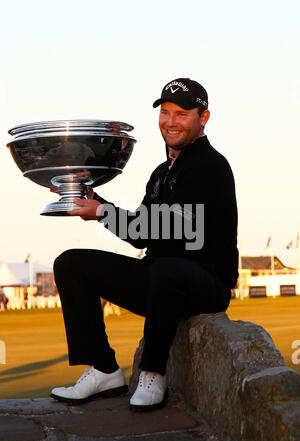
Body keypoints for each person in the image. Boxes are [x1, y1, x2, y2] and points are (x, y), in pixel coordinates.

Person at [50, 78, 239, 410]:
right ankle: (103, 369)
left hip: (206, 282)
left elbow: (175, 230)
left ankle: (152, 371)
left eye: (181, 114)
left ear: (203, 117)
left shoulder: (212, 166)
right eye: (165, 112)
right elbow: (140, 232)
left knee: (166, 269)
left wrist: (103, 212)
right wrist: (92, 200)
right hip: (160, 278)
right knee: (70, 263)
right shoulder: (160, 173)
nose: (170, 121)